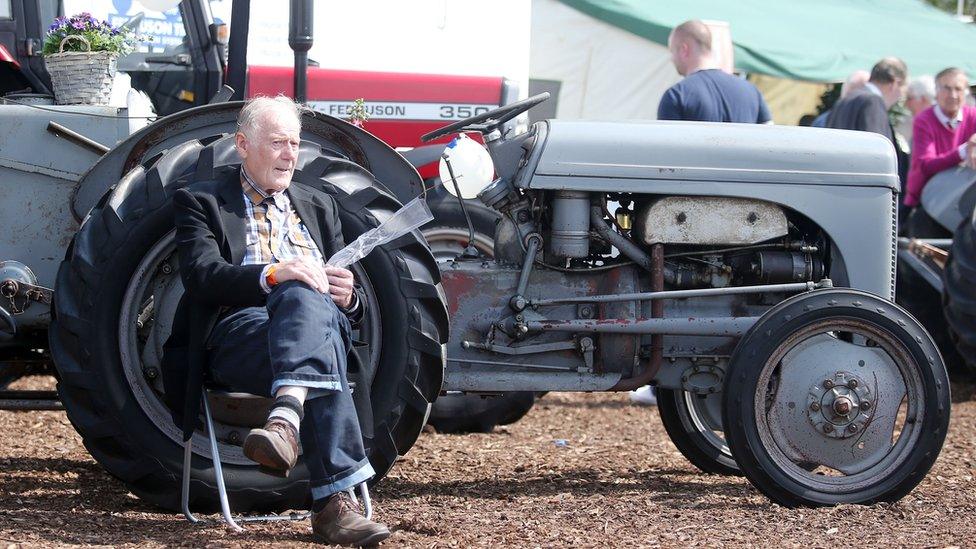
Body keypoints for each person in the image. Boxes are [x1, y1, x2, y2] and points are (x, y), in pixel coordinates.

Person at [163, 96, 390, 546]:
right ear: (243, 144)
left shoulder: (320, 206)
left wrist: (351, 301)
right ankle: (333, 505)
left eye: (296, 143)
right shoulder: (201, 200)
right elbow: (203, 278)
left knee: (310, 300)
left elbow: (347, 306)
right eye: (279, 143)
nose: (290, 155)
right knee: (304, 305)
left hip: (317, 329)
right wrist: (274, 273)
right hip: (239, 335)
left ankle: (285, 416)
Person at [903, 67, 976, 235]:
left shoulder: (972, 115)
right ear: (936, 91)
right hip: (925, 204)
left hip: (961, 205)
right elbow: (926, 164)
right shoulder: (924, 120)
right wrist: (963, 151)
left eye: (958, 89)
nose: (953, 95)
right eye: (947, 88)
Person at [657, 19, 771, 124]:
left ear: (684, 50)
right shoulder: (752, 91)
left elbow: (665, 144)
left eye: (672, 51)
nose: (671, 59)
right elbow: (770, 139)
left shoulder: (676, 95)